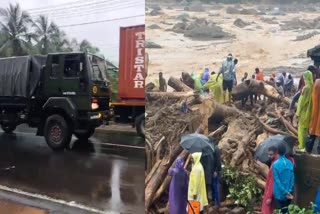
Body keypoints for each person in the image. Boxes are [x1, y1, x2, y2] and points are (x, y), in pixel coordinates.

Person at [272, 143, 294, 214]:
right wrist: (289, 190)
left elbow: (277, 180)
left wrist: (284, 192)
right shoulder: (290, 163)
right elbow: (292, 178)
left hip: (279, 193)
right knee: (286, 211)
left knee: (280, 211)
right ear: (285, 151)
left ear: (277, 151)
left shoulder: (275, 164)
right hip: (289, 192)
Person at [296, 70, 314, 151]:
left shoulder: (305, 88)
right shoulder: (313, 86)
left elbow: (301, 101)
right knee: (306, 129)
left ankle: (301, 146)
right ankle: (305, 146)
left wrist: (298, 112)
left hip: (303, 111)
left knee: (301, 129)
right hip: (310, 111)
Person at [261, 146, 278, 214]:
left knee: (267, 211)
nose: (269, 156)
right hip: (270, 192)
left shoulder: (275, 164)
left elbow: (272, 182)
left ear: (276, 153)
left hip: (270, 193)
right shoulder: (275, 161)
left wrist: (269, 197)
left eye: (271, 154)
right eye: (268, 154)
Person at [306, 79, 320, 154]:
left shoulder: (317, 82)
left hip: (315, 113)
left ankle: (308, 150)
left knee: (312, 133)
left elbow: (313, 96)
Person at [210, 138, 222, 207]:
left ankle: (217, 202)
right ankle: (214, 200)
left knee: (215, 186)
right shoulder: (212, 148)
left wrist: (217, 170)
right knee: (213, 186)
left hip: (215, 171)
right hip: (212, 171)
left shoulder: (215, 149)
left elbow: (218, 161)